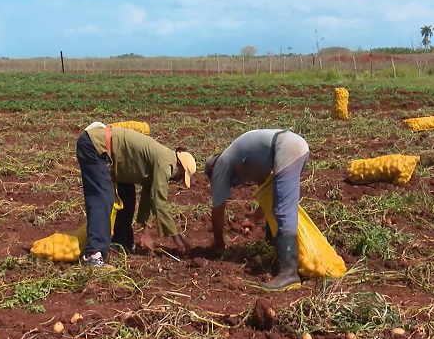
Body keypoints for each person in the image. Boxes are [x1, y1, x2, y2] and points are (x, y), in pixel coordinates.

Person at [77, 122, 196, 268]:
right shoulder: (167, 162)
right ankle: (93, 255)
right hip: (95, 146)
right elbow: (160, 201)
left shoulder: (163, 160)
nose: (177, 180)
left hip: (111, 158)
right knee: (103, 198)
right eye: (181, 176)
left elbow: (149, 196)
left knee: (127, 195)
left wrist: (145, 233)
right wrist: (177, 239)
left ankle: (121, 243)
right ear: (179, 165)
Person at [205, 129, 309, 290]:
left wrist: (218, 242)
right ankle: (276, 250)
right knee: (279, 202)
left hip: (287, 148)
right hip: (294, 145)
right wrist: (254, 218)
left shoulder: (220, 164)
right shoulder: (247, 161)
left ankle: (289, 274)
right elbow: (270, 195)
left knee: (284, 210)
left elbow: (218, 208)